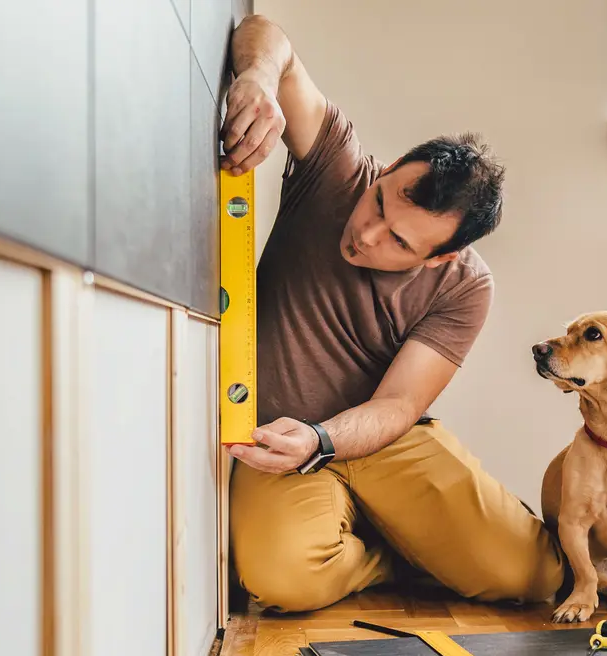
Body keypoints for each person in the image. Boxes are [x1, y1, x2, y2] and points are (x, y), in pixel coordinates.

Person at [218, 14, 564, 613]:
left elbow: (400, 404)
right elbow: (267, 34)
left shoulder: (465, 287)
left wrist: (325, 439)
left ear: (439, 258)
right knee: (283, 581)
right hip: (275, 438)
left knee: (531, 576)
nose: (367, 234)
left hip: (376, 436)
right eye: (381, 200)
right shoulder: (337, 171)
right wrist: (258, 75)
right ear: (387, 172)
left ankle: (414, 536)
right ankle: (391, 554)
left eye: (400, 243)